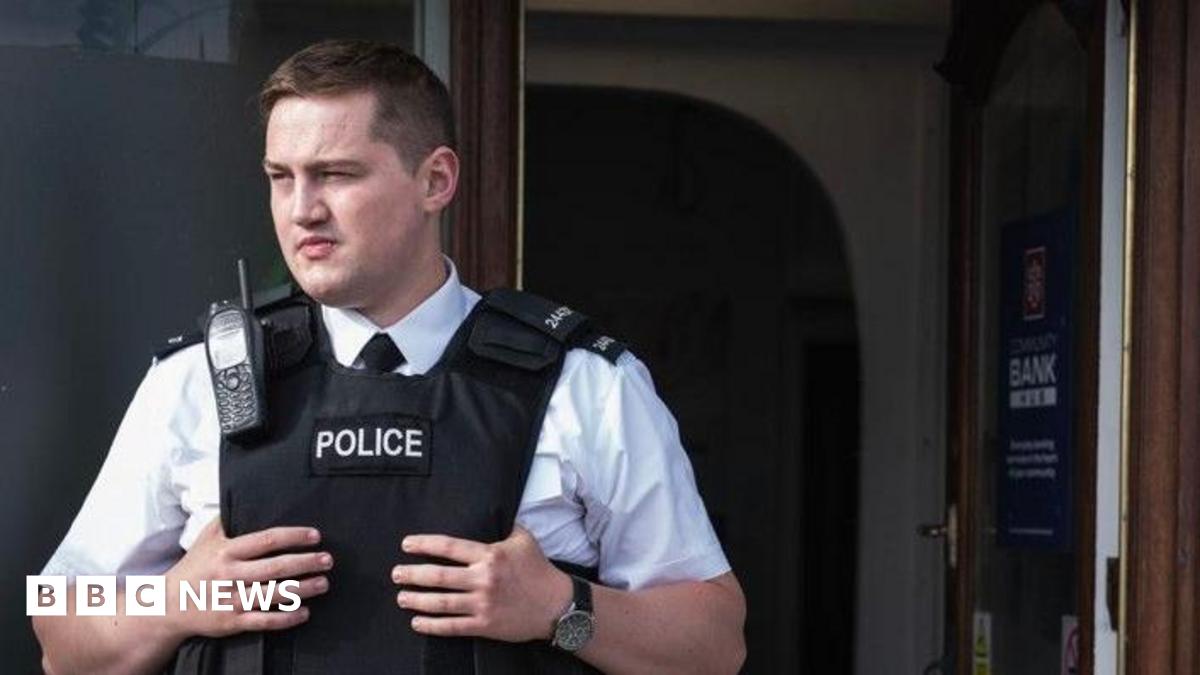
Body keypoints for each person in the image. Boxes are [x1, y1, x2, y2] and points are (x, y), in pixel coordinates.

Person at [31, 39, 745, 675]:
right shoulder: (195, 381)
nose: (301, 208)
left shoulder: (582, 383)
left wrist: (563, 604)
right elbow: (58, 615)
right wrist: (172, 603)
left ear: (435, 181)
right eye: (281, 176)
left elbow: (717, 640)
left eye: (336, 174)